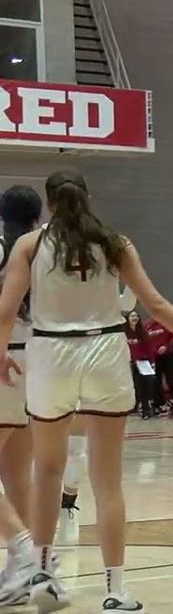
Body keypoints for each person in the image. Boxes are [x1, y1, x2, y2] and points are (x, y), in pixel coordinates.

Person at [0, 170, 173, 612]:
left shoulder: (29, 245)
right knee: (107, 481)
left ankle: (44, 573)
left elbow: (6, 309)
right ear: (89, 197)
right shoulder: (115, 242)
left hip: (51, 351)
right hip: (105, 350)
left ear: (49, 204)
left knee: (47, 470)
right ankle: (115, 588)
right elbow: (157, 303)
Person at [0, 186, 41, 605]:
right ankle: (21, 573)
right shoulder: (46, 248)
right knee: (16, 474)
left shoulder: (3, 247)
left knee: (15, 473)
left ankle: (24, 551)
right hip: (39, 363)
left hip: (4, 359)